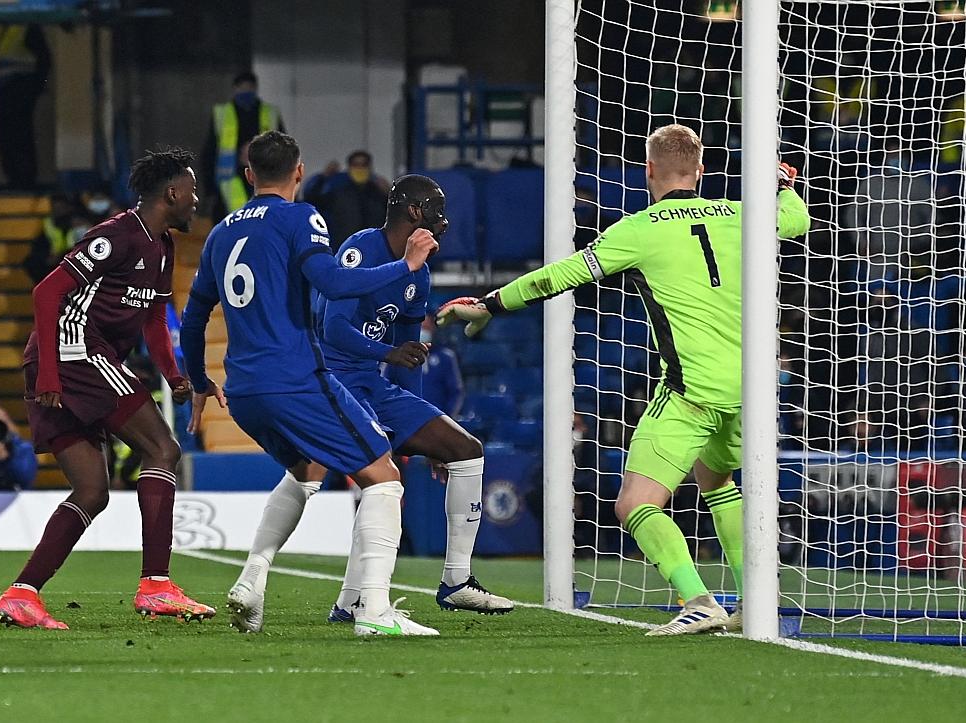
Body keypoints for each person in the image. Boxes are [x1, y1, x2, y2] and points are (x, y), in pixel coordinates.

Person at [439, 124, 811, 636]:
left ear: (649, 171)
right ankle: (756, 600)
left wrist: (490, 302)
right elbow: (796, 219)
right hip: (750, 390)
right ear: (700, 171)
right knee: (718, 481)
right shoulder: (741, 215)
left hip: (691, 394)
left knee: (634, 503)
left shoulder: (639, 229)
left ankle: (697, 598)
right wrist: (782, 183)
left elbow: (560, 276)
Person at [180, 130, 440, 637]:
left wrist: (196, 381)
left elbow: (192, 322)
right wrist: (405, 266)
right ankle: (374, 612)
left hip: (245, 390)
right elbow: (333, 282)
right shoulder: (302, 218)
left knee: (306, 470)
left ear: (248, 174)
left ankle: (252, 580)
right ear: (299, 171)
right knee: (384, 476)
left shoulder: (220, 232)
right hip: (295, 378)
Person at [235, 173, 514, 625]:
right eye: (437, 214)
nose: (444, 225)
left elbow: (411, 357)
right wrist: (387, 352)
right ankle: (344, 598)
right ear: (414, 212)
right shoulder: (359, 250)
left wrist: (423, 435)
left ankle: (456, 581)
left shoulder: (419, 274)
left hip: (372, 384)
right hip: (332, 380)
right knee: (342, 477)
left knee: (465, 451)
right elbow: (335, 329)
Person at [0, 147, 212, 629]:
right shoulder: (116, 236)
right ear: (171, 193)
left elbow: (154, 317)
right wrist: (50, 373)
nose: (197, 200)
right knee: (162, 449)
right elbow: (46, 292)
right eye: (192, 191)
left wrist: (172, 373)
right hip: (73, 353)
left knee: (92, 490)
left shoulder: (163, 247)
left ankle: (21, 594)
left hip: (74, 360)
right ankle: (156, 585)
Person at [201, 71, 284, 221]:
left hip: (264, 177)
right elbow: (209, 153)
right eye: (242, 88)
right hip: (228, 182)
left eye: (249, 88)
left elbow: (284, 151)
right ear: (235, 89)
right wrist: (210, 191)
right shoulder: (222, 114)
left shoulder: (269, 113)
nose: (246, 92)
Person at [0, 24, 51, 189]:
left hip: (19, 88)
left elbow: (44, 59)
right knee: (7, 135)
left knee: (18, 135)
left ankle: (23, 180)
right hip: (7, 89)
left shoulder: (26, 27)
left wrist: (35, 87)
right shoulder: (13, 26)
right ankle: (15, 179)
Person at [303, 150, 391, 247]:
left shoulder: (378, 193)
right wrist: (323, 177)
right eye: (356, 165)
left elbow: (393, 217)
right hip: (343, 246)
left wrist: (389, 193)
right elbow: (312, 201)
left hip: (372, 246)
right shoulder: (338, 192)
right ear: (349, 167)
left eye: (364, 165)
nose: (360, 169)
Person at [23, 193, 87, 283]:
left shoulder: (78, 223)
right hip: (54, 260)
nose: (59, 211)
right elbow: (40, 244)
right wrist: (46, 257)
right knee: (32, 262)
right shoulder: (49, 223)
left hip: (74, 260)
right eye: (56, 208)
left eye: (61, 208)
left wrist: (61, 255)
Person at [417, 315, 464, 417]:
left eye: (426, 328)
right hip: (407, 419)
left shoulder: (446, 357)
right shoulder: (400, 357)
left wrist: (448, 418)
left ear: (433, 330)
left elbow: (455, 392)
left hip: (436, 418)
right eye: (420, 328)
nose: (423, 331)